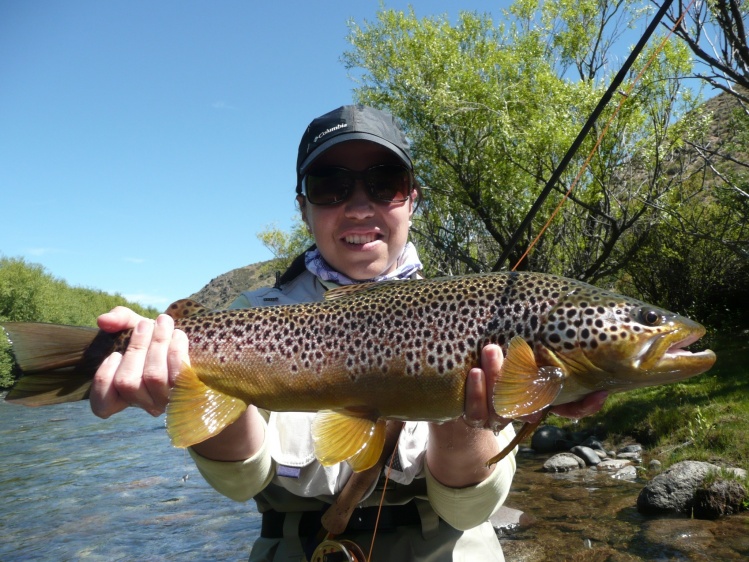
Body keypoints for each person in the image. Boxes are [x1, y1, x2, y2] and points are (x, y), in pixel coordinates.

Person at [90, 105, 607, 561]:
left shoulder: (488, 312)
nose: (359, 206)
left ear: (412, 200)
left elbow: (468, 506)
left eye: (385, 183)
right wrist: (180, 374)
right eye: (331, 186)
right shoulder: (249, 318)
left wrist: (458, 409)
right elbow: (242, 482)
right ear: (303, 207)